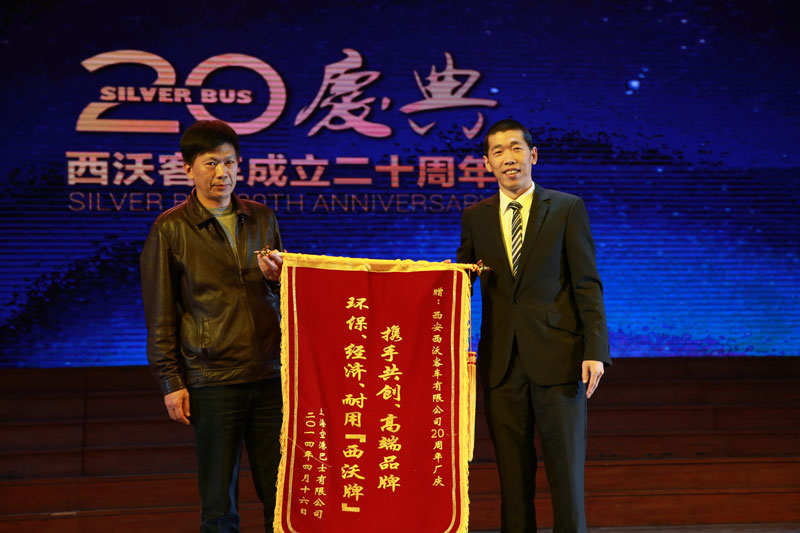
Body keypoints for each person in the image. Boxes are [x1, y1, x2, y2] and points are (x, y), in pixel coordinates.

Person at [457, 119, 611, 532]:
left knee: (566, 478)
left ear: (533, 155)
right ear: (487, 163)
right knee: (513, 482)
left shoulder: (566, 208)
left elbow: (586, 284)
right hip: (501, 366)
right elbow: (460, 282)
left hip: (559, 361)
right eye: (498, 151)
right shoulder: (475, 217)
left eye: (516, 148)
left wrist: (595, 349)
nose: (508, 158)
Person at [140, 119, 285, 532]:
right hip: (212, 378)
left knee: (282, 494)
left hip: (270, 375)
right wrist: (171, 381)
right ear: (188, 168)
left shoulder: (262, 218)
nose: (222, 173)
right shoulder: (171, 229)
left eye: (230, 162)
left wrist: (279, 280)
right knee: (220, 504)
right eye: (211, 163)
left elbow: (283, 295)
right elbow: (160, 313)